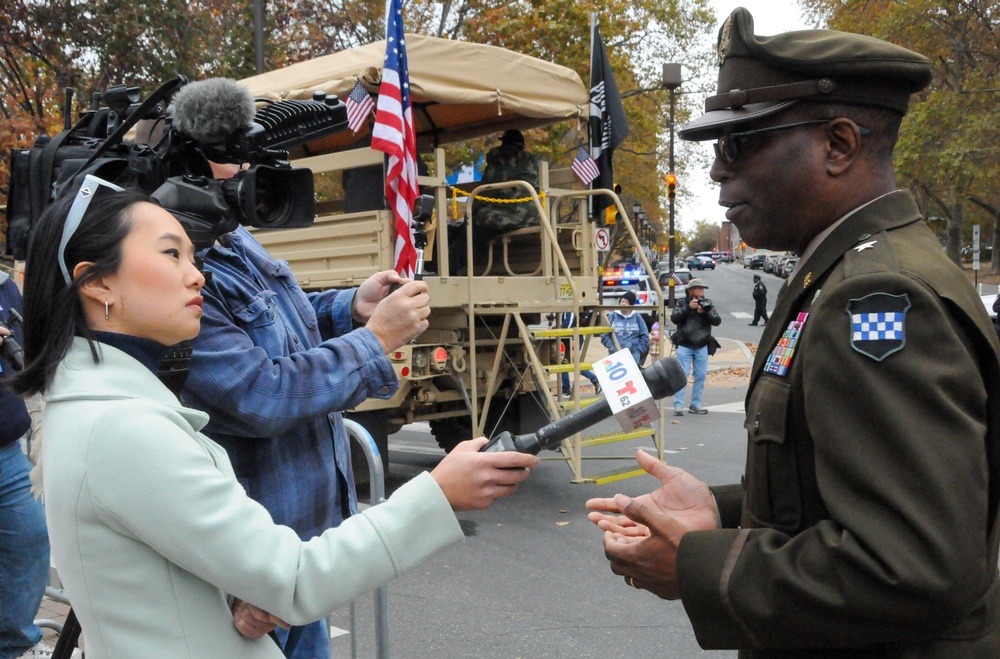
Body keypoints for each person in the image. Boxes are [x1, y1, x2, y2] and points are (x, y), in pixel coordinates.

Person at [587, 8, 1000, 656]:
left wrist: (700, 564)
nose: (719, 171)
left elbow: (914, 565)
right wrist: (722, 511)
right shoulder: (844, 273)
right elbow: (831, 487)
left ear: (838, 145)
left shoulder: (874, 297)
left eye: (740, 143)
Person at [11, 178, 538, 659]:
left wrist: (235, 586)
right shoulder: (121, 429)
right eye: (171, 254)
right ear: (97, 284)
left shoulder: (99, 403)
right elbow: (295, 575)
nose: (196, 276)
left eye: (193, 256)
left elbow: (153, 570)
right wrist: (438, 494)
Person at [179, 155, 423, 657]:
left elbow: (274, 322)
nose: (251, 170)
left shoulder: (233, 235)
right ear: (184, 164)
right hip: (253, 565)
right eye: (232, 157)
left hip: (302, 547)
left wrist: (352, 306)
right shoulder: (186, 264)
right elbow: (261, 395)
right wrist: (374, 341)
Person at [0, 272, 50, 659]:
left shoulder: (2, 285)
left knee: (30, 536)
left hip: (6, 450)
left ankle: (17, 646)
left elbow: (27, 360)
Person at [452, 129, 541, 273]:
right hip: (533, 214)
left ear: (504, 143)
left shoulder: (498, 159)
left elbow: (485, 192)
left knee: (471, 230)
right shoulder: (534, 161)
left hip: (508, 214)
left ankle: (455, 270)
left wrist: (470, 214)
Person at [668, 278, 721, 415]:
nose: (701, 291)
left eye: (703, 289)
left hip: (702, 345)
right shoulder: (681, 302)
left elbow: (717, 321)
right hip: (685, 345)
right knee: (682, 376)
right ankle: (678, 406)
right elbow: (674, 318)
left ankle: (695, 405)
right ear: (690, 291)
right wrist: (688, 308)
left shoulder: (707, 303)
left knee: (700, 376)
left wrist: (706, 312)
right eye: (698, 288)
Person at [600, 291, 649, 368]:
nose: (623, 303)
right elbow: (604, 334)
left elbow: (645, 336)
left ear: (631, 305)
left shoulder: (637, 317)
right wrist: (611, 347)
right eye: (622, 301)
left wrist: (638, 350)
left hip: (633, 354)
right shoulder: (613, 316)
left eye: (626, 302)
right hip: (615, 353)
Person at [559, 310, 599, 397]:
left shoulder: (569, 309)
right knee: (571, 362)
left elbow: (567, 325)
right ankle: (594, 379)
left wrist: (555, 329)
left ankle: (566, 389)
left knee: (565, 361)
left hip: (571, 339)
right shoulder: (574, 308)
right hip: (574, 339)